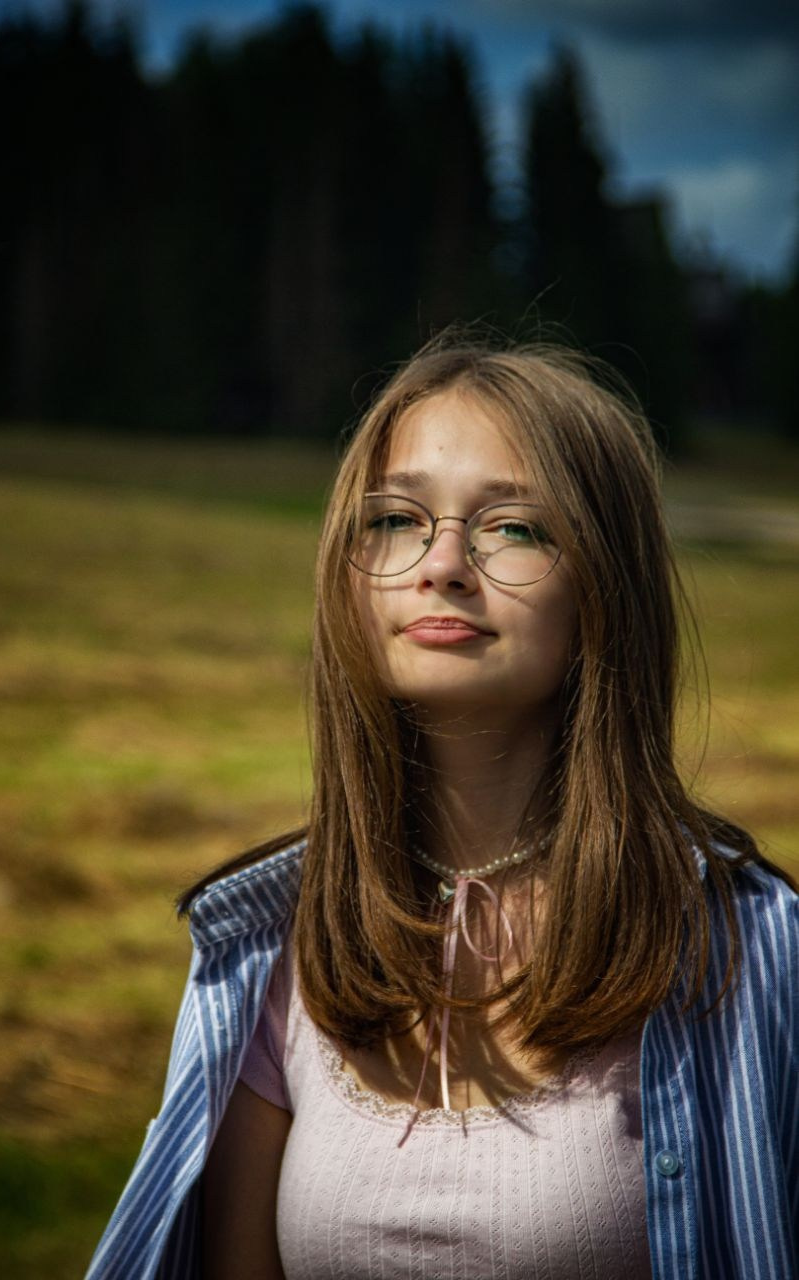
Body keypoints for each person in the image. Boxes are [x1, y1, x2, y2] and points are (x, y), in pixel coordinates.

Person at [86, 336, 797, 1280]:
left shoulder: (748, 952)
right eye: (396, 518)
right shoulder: (265, 950)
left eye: (515, 527)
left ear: (605, 590)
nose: (444, 563)